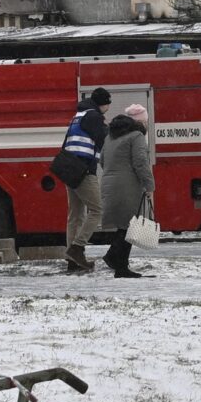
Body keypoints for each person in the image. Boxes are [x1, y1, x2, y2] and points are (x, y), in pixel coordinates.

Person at [54, 88, 111, 273]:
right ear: (103, 103)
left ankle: (72, 260)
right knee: (97, 210)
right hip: (83, 170)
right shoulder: (94, 116)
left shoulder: (78, 115)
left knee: (75, 215)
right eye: (108, 103)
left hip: (70, 169)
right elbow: (105, 140)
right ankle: (77, 248)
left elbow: (66, 143)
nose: (108, 107)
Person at [98, 102, 155, 277]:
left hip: (109, 183)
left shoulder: (110, 136)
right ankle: (120, 267)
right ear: (140, 122)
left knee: (125, 226)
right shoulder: (136, 136)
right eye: (145, 121)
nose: (146, 124)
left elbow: (101, 160)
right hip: (127, 185)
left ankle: (114, 258)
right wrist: (149, 185)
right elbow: (140, 162)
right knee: (130, 225)